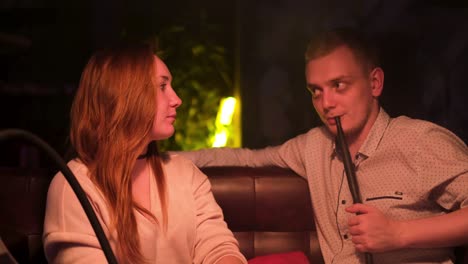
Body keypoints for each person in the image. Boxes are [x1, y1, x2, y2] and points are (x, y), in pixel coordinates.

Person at [177, 28, 468, 263]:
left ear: (375, 83)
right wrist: (159, 156)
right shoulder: (313, 146)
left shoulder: (420, 142)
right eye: (316, 91)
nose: (326, 104)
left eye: (339, 85)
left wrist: (399, 233)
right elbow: (247, 159)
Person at [42, 43, 247, 264]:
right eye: (162, 86)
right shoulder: (73, 187)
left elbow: (217, 247)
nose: (177, 99)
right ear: (125, 96)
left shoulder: (184, 173)